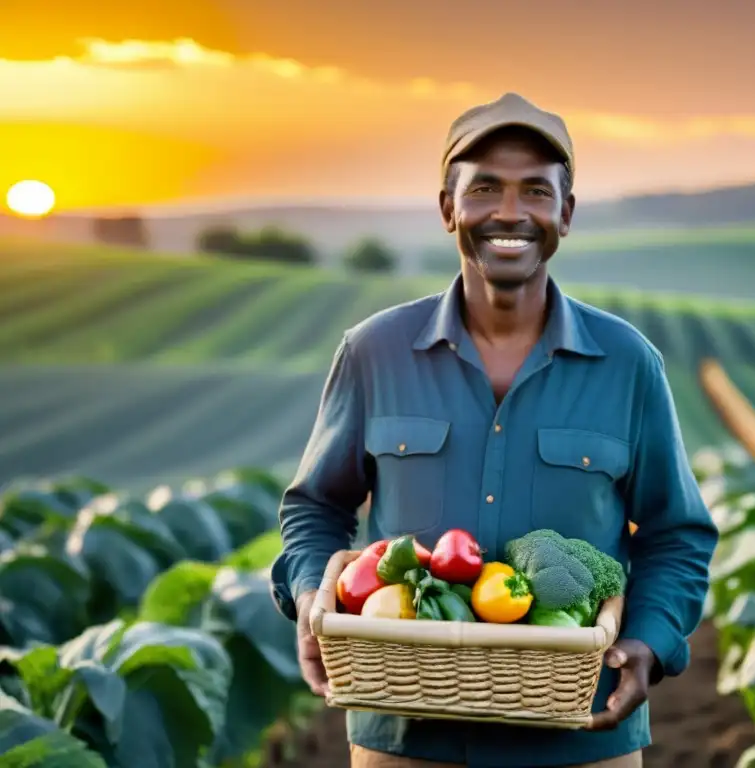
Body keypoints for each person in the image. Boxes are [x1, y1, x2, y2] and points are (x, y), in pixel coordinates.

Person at [270, 92, 720, 768]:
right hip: (404, 737)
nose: (510, 213)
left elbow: (675, 534)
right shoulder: (374, 352)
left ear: (565, 214)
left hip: (582, 736)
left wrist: (649, 640)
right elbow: (315, 507)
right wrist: (312, 595)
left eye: (536, 191)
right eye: (484, 188)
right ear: (448, 207)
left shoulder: (628, 364)